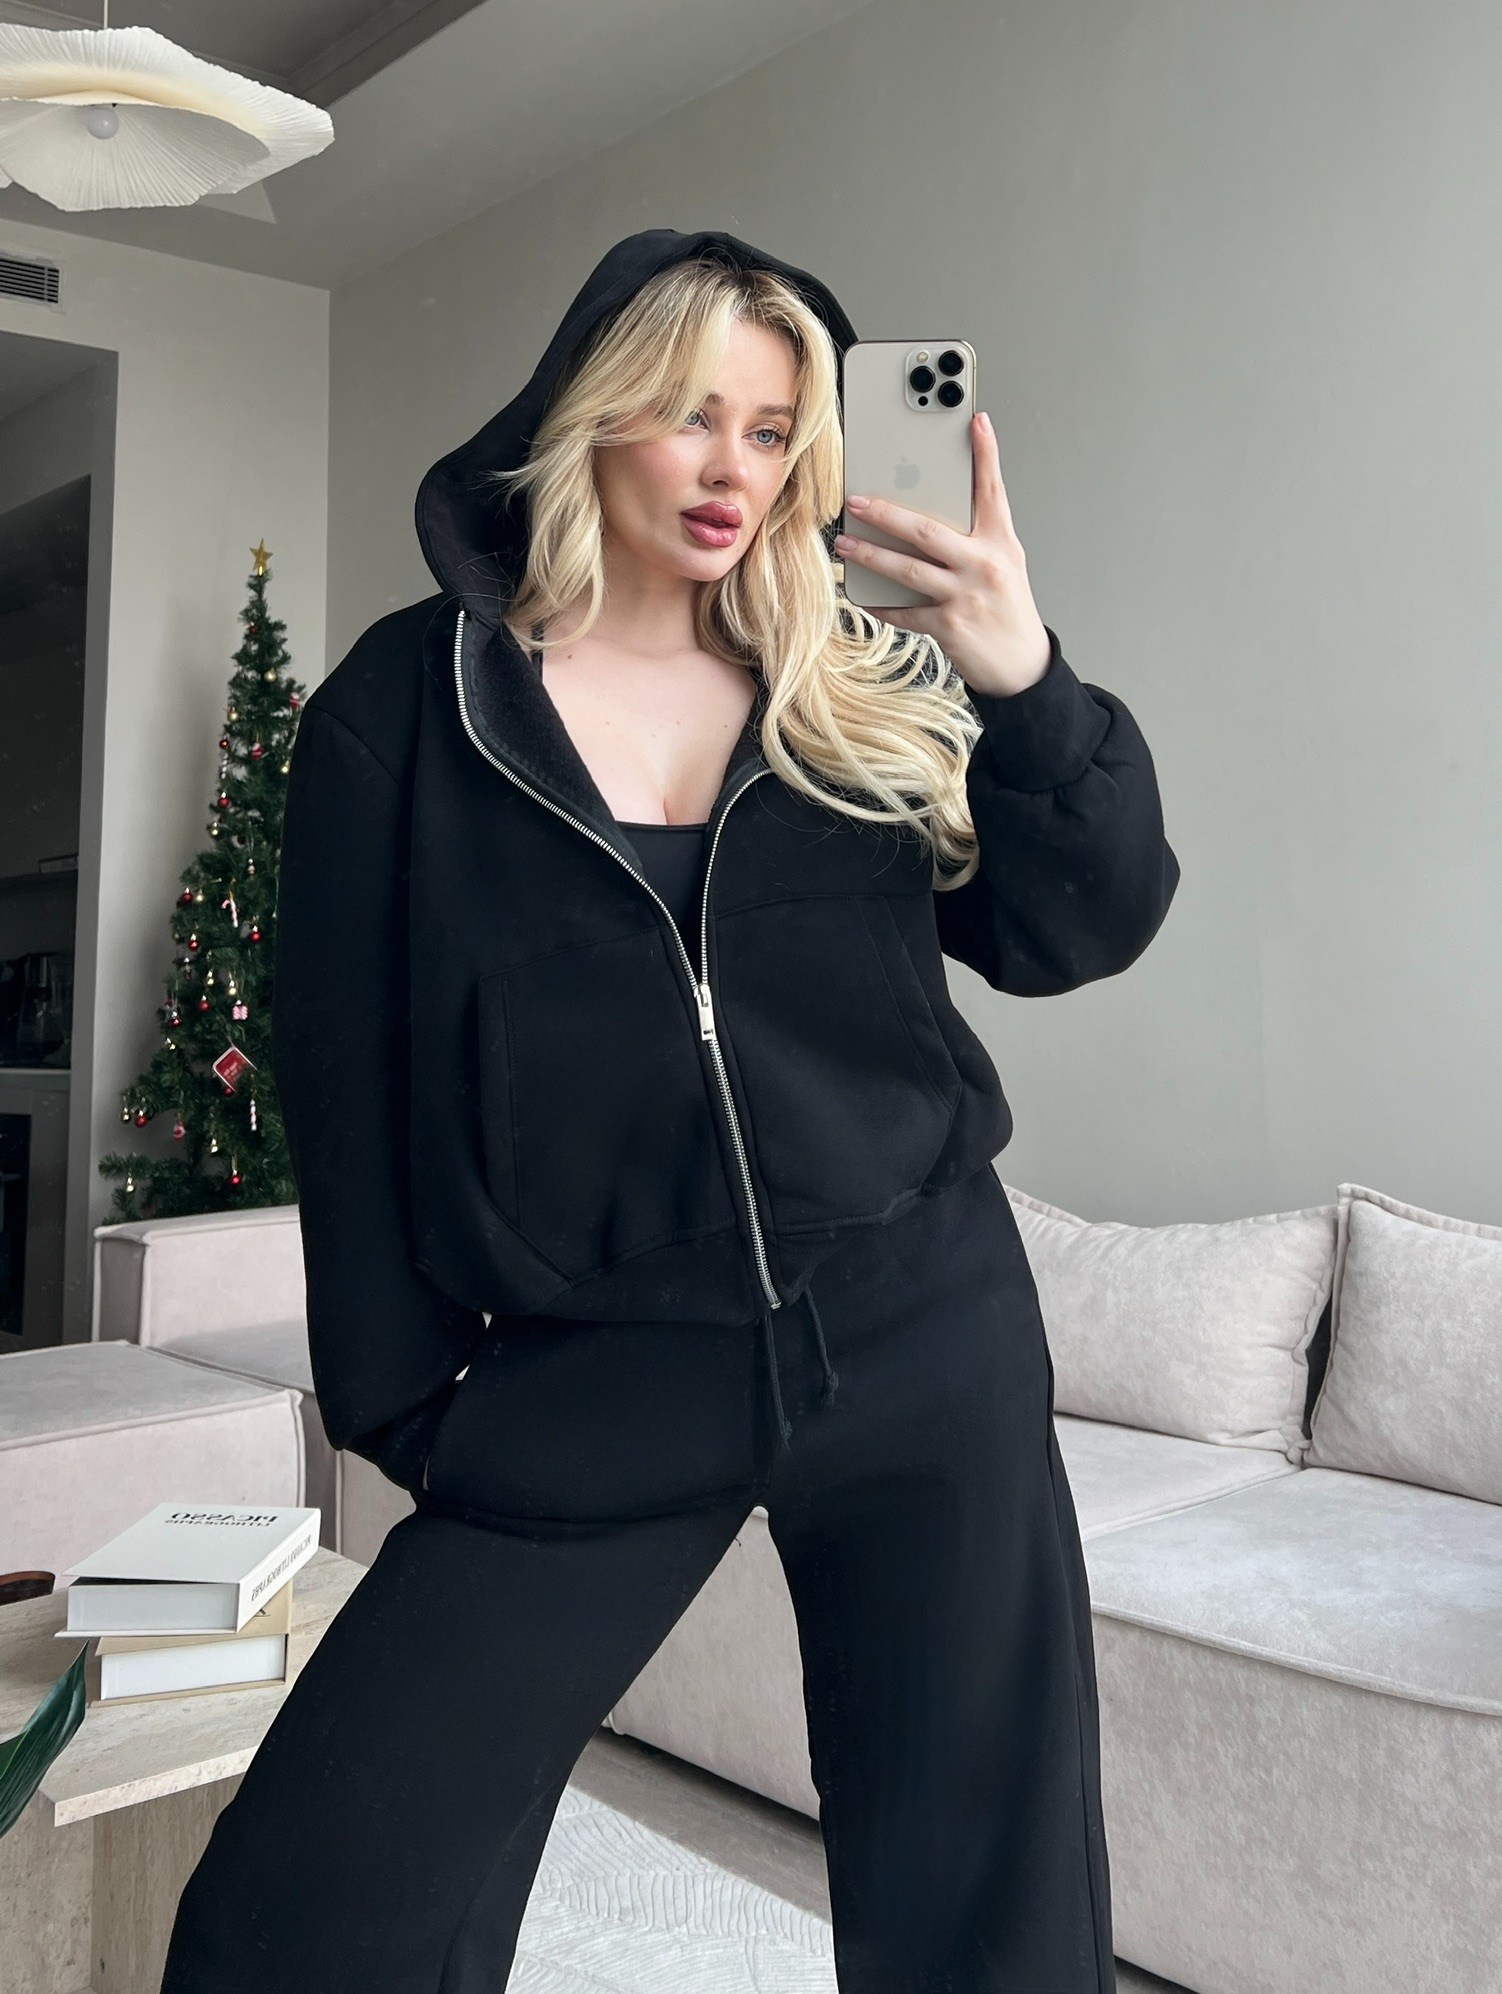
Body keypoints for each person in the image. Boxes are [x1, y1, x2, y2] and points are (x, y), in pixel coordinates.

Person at [160, 225, 1179, 1994]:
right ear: (592, 409)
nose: (734, 469)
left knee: (991, 1920)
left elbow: (1081, 924)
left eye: (775, 429)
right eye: (694, 414)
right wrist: (414, 1409)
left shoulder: (846, 673)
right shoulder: (406, 712)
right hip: (599, 1372)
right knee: (311, 1909)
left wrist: (1025, 679)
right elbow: (348, 1086)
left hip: (923, 1335)